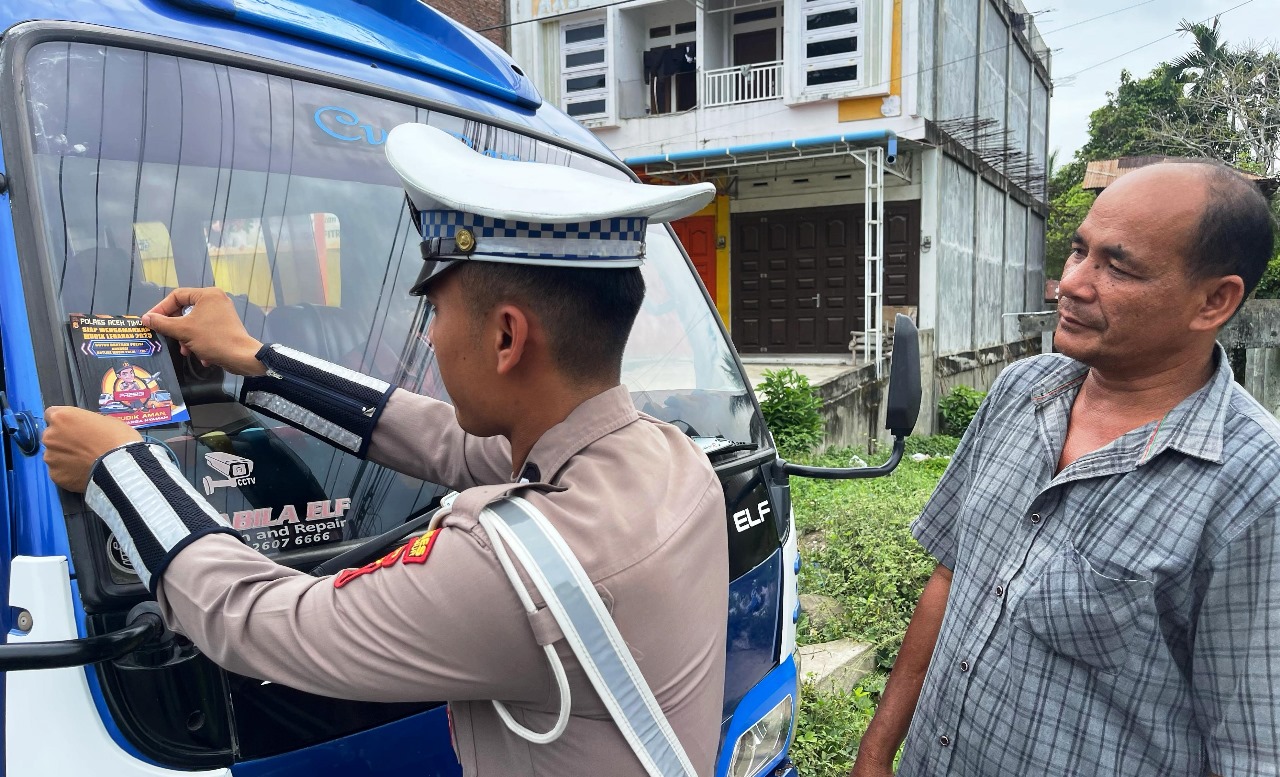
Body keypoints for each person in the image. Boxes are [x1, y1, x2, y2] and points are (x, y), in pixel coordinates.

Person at [42, 123, 729, 776]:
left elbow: (258, 622)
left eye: (435, 311)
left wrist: (119, 468)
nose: (428, 337)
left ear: (506, 337)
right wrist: (254, 363)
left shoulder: (509, 571)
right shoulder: (666, 457)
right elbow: (443, 440)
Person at [850, 161, 1280, 776]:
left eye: (1118, 267)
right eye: (1079, 251)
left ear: (1214, 300)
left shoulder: (1255, 485)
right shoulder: (1021, 390)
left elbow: (1250, 750)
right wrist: (874, 755)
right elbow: (952, 576)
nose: (1071, 284)